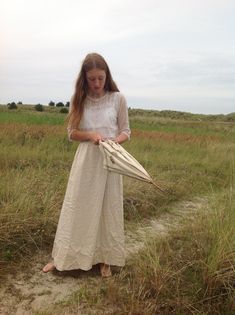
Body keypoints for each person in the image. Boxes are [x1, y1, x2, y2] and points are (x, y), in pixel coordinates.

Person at [43, 53, 131, 277]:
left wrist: (113, 141)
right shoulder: (78, 100)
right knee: (78, 208)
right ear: (84, 78)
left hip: (111, 160)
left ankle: (105, 259)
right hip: (86, 162)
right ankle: (63, 257)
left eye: (100, 78)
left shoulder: (118, 99)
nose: (97, 84)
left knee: (107, 209)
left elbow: (126, 132)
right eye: (92, 79)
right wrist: (90, 135)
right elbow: (71, 134)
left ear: (106, 75)